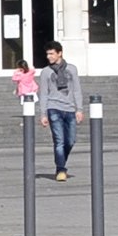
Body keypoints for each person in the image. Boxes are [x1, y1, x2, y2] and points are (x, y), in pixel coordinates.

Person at [38, 42, 83, 182]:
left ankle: (61, 161)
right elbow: (44, 93)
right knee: (59, 141)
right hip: (54, 108)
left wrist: (79, 109)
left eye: (51, 53)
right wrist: (43, 113)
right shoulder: (46, 72)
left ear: (60, 53)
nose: (49, 56)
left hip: (69, 108)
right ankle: (61, 169)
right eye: (47, 54)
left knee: (70, 140)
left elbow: (76, 89)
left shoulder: (72, 69)